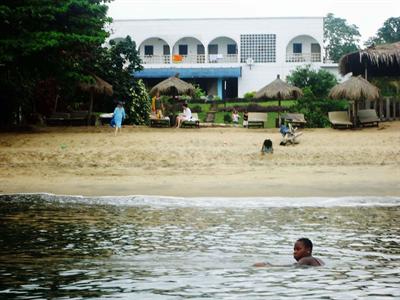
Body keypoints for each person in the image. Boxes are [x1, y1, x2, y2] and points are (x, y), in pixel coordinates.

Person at [253, 238, 324, 267]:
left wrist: (268, 265)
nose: (295, 252)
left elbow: (293, 267)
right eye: (294, 250)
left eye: (298, 249)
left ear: (308, 250)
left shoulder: (305, 259)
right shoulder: (318, 260)